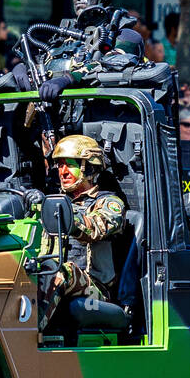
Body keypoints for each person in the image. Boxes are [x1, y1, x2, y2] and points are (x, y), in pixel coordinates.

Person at [40, 135, 127, 330]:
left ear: (89, 167)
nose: (62, 172)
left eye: (69, 164)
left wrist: (62, 215)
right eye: (59, 165)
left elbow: (95, 227)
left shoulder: (109, 203)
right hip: (57, 279)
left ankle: (28, 335)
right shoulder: (55, 202)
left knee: (62, 272)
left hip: (96, 291)